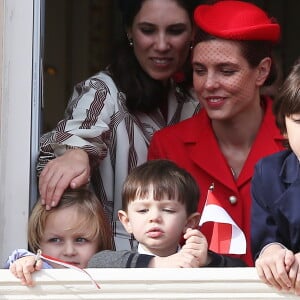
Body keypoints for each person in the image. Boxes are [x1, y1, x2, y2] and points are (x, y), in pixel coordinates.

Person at [37, 0, 201, 251]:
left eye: (175, 30)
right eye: (148, 30)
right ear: (128, 31)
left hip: (187, 260)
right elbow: (75, 137)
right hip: (117, 267)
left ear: (192, 34)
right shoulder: (104, 91)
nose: (161, 44)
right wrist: (76, 153)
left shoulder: (196, 97)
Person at [147, 0, 285, 267]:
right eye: (200, 71)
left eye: (226, 70)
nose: (209, 84)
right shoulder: (169, 146)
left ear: (262, 71)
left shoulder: (294, 139)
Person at [88, 159, 246, 267]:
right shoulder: (123, 263)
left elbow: (243, 269)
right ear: (127, 221)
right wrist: (158, 264)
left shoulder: (195, 262)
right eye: (143, 210)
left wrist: (208, 260)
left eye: (168, 210)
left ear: (189, 222)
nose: (154, 218)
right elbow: (97, 262)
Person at [251, 58, 300, 295]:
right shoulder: (268, 172)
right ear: (283, 126)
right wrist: (272, 254)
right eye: (299, 121)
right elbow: (265, 237)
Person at [4, 188, 112, 286]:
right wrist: (25, 264)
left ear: (100, 244)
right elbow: (18, 260)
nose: (69, 251)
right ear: (38, 244)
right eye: (55, 240)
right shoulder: (39, 270)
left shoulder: (111, 279)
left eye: (80, 240)